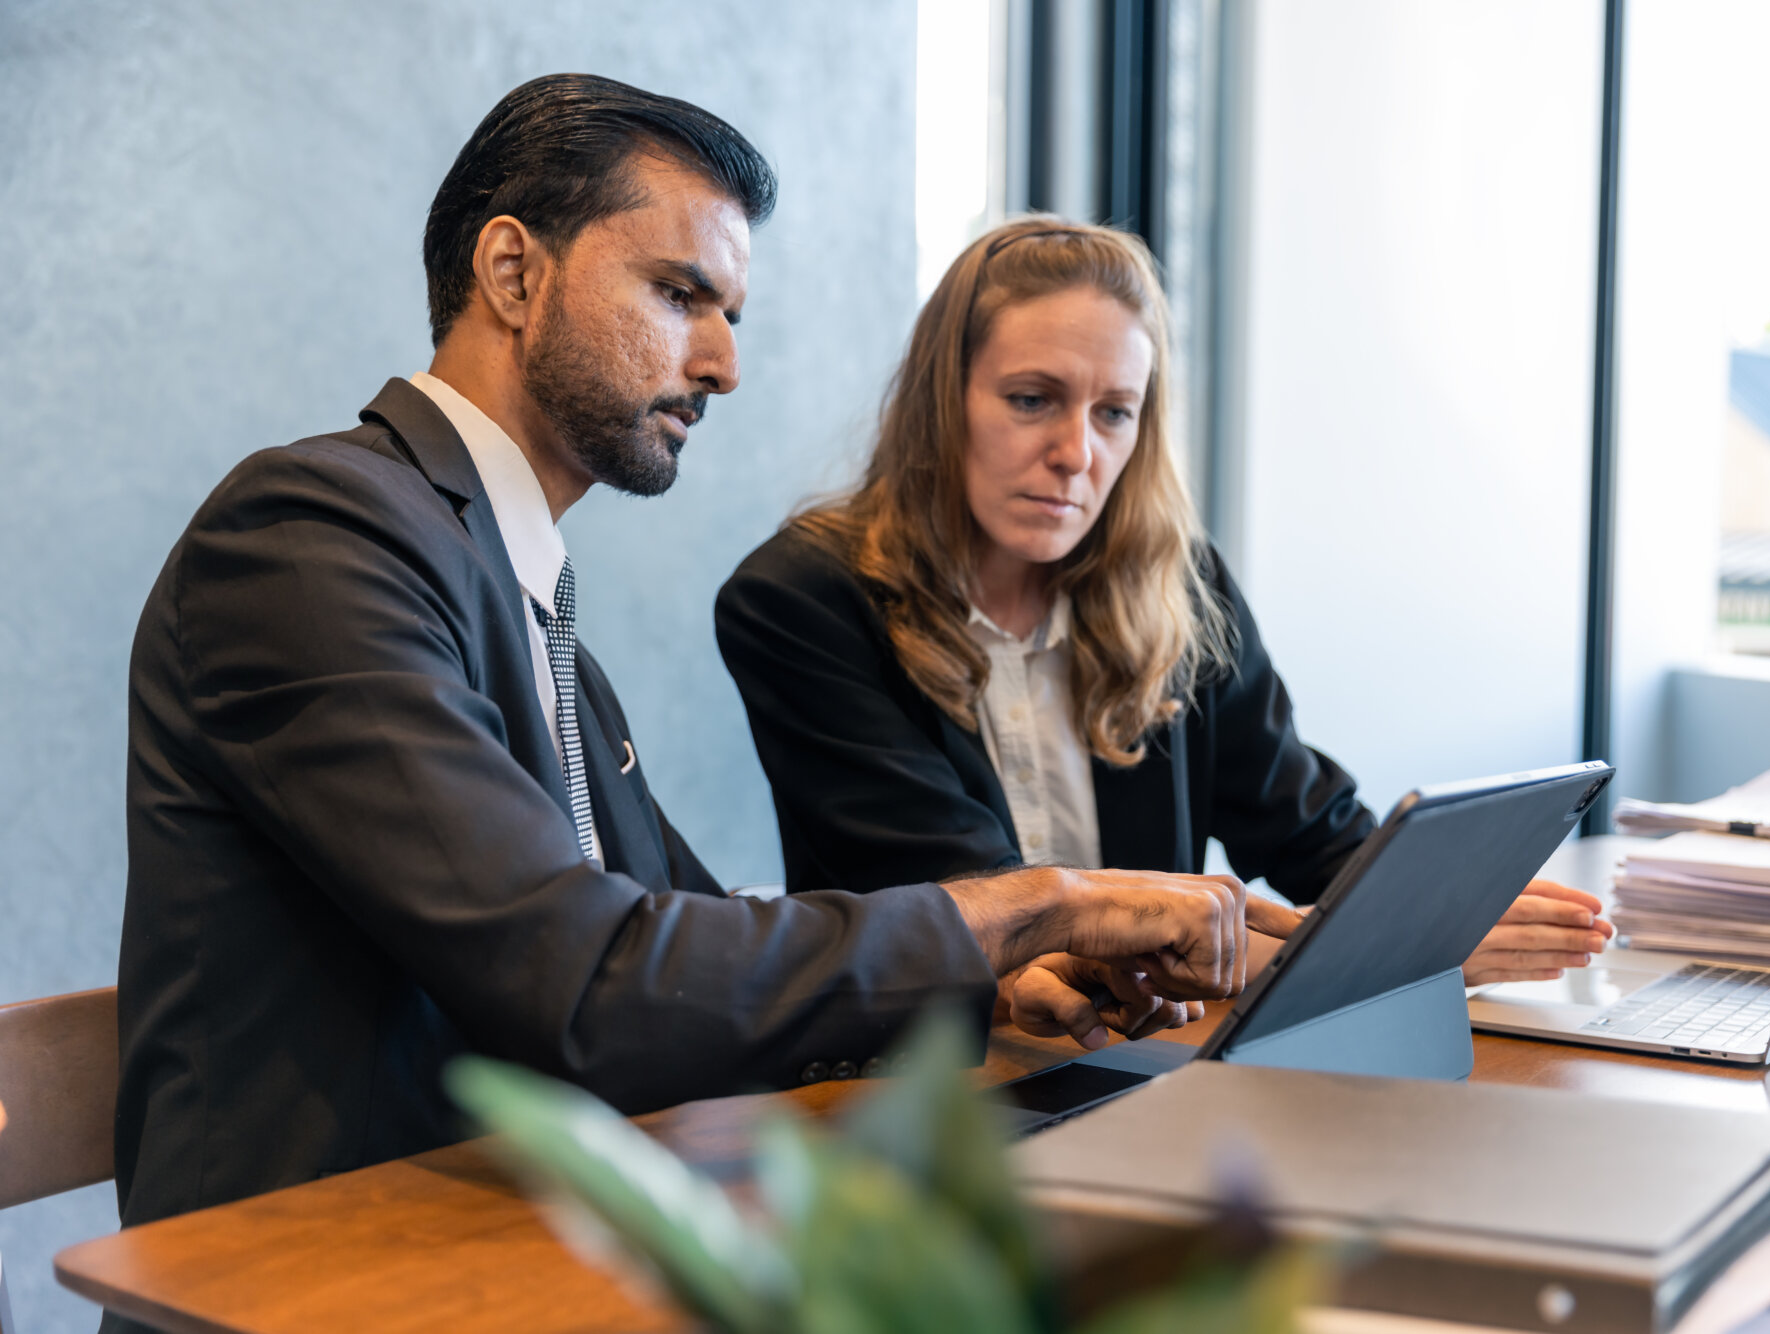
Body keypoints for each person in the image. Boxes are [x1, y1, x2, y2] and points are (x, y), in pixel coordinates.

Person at [113, 77, 1297, 1264]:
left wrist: (979, 982)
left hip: (519, 1240)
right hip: (321, 1273)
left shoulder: (512, 580)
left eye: (729, 312)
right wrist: (1034, 902)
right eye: (680, 295)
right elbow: (589, 978)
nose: (722, 363)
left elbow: (685, 935)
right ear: (514, 274)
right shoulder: (313, 535)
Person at [715, 218, 1614, 1048]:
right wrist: (1361, 949)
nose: (1077, 452)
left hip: (1149, 1054)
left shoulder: (1176, 583)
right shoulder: (802, 599)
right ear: (940, 403)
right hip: (937, 1081)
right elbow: (980, 901)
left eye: (1114, 412)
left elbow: (1308, 830)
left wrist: (1436, 913)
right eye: (1032, 400)